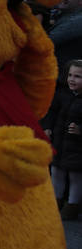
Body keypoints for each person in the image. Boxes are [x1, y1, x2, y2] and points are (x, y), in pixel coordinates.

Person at [43, 59, 82, 221]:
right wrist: (47, 127)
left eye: (78, 76)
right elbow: (50, 112)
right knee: (56, 171)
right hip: (59, 141)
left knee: (75, 175)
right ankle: (55, 200)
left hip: (77, 147)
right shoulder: (62, 94)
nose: (72, 79)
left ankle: (72, 205)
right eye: (70, 75)